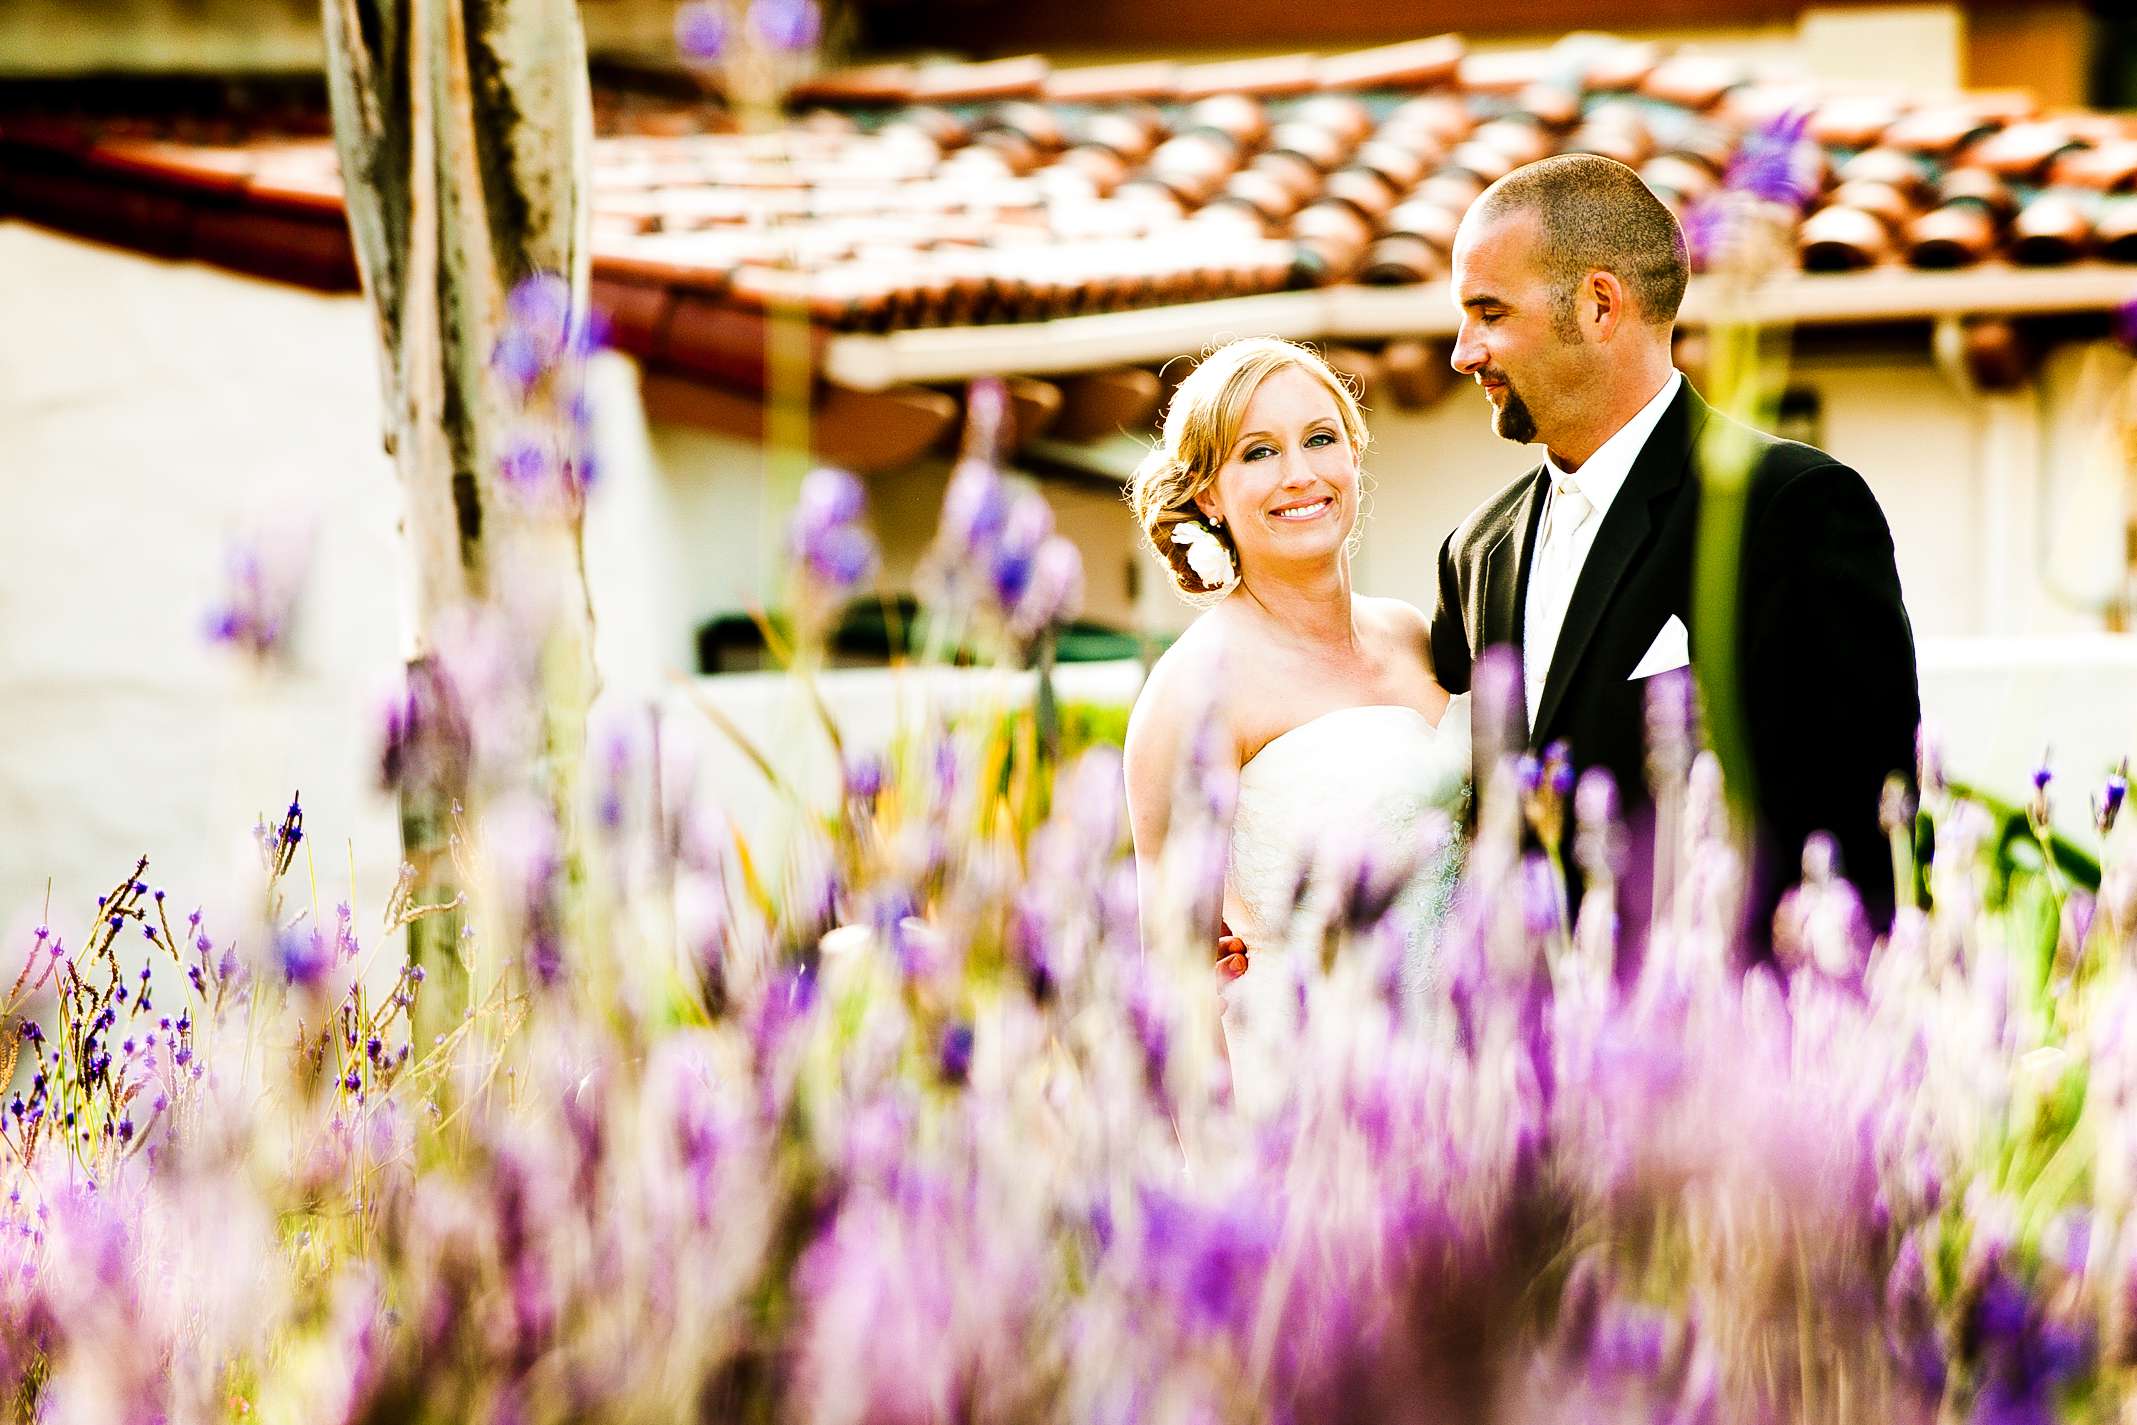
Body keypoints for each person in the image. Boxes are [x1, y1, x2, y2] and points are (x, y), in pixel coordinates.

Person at [1430, 153, 1920, 940]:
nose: (1462, 351)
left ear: (1597, 305)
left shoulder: (1788, 508)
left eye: (1488, 312)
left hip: (1721, 1036)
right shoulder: (1475, 550)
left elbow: (1864, 816)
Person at [1123, 337, 1468, 1111]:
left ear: (1353, 454)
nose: (1299, 475)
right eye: (1257, 452)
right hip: (1313, 1097)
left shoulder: (1411, 630)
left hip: (1474, 1082)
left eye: (1320, 438)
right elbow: (1176, 980)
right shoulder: (1193, 689)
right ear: (1208, 492)